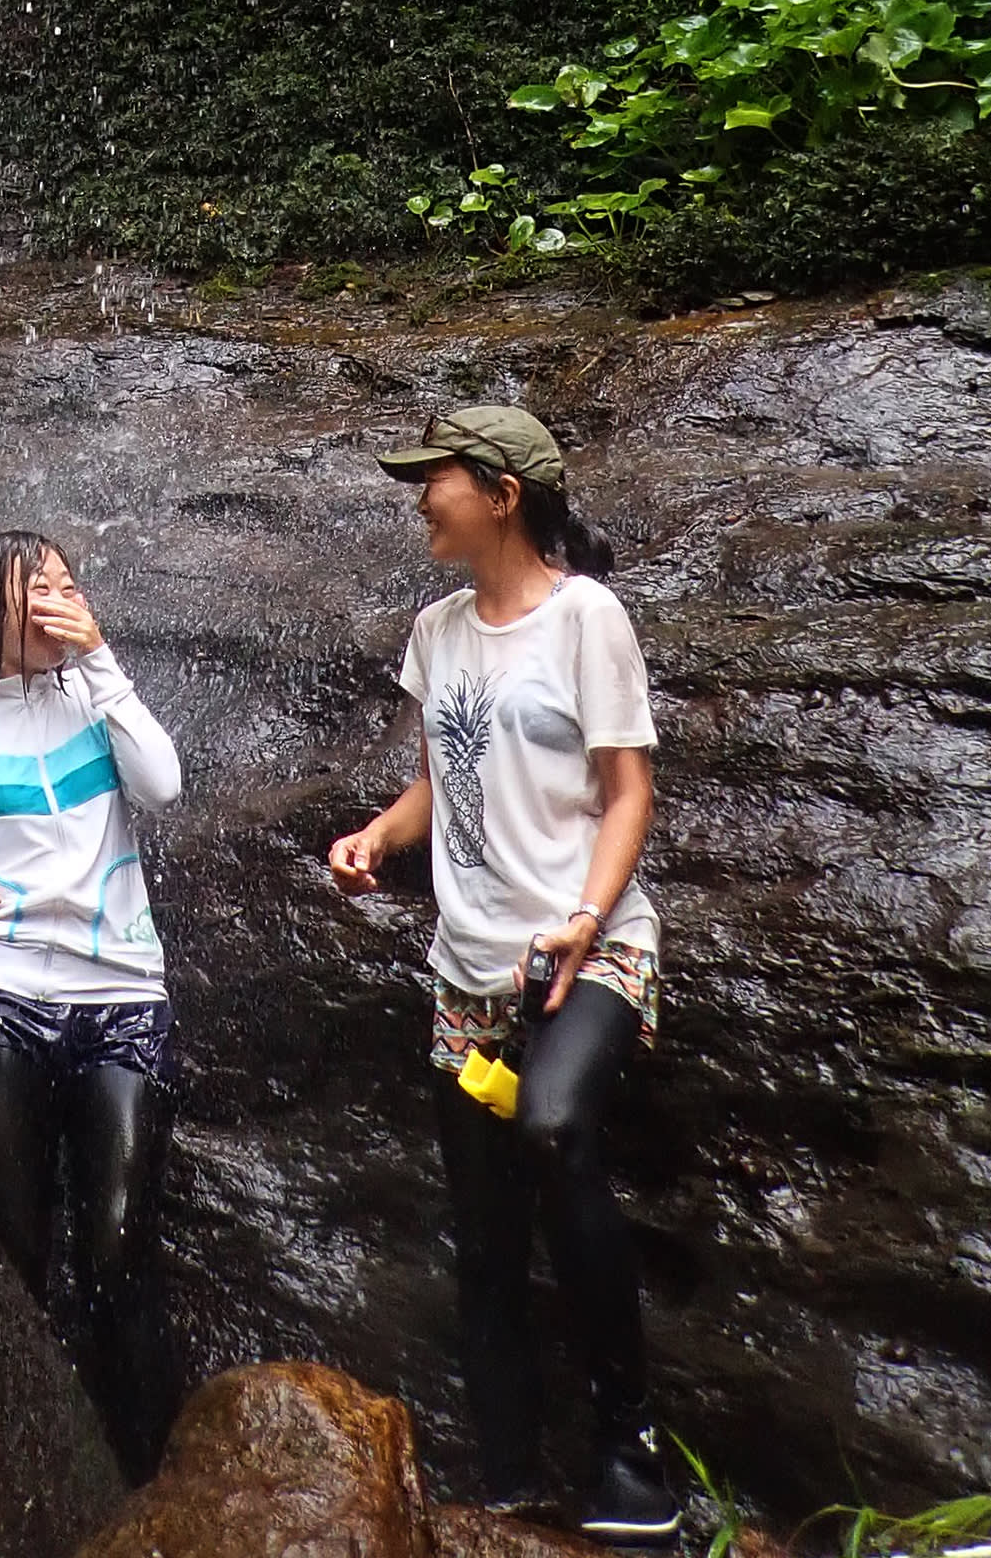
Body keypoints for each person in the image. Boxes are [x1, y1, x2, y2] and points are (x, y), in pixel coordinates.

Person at [325, 406, 677, 1544]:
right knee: (482, 1236)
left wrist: (584, 917)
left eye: (435, 480)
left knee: (555, 1128)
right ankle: (512, 1475)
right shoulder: (437, 630)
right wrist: (376, 838)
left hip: (590, 947)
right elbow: (442, 784)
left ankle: (631, 1447)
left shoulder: (587, 618)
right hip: (470, 968)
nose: (420, 500)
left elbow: (628, 792)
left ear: (503, 493)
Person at [0, 530, 185, 1476]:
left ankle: (147, 1476)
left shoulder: (99, 701)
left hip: (122, 997)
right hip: (4, 993)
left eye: (70, 584)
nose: (63, 599)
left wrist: (101, 660)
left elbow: (164, 787)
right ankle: (15, 1474)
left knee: (116, 1249)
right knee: (11, 1252)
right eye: (41, 588)